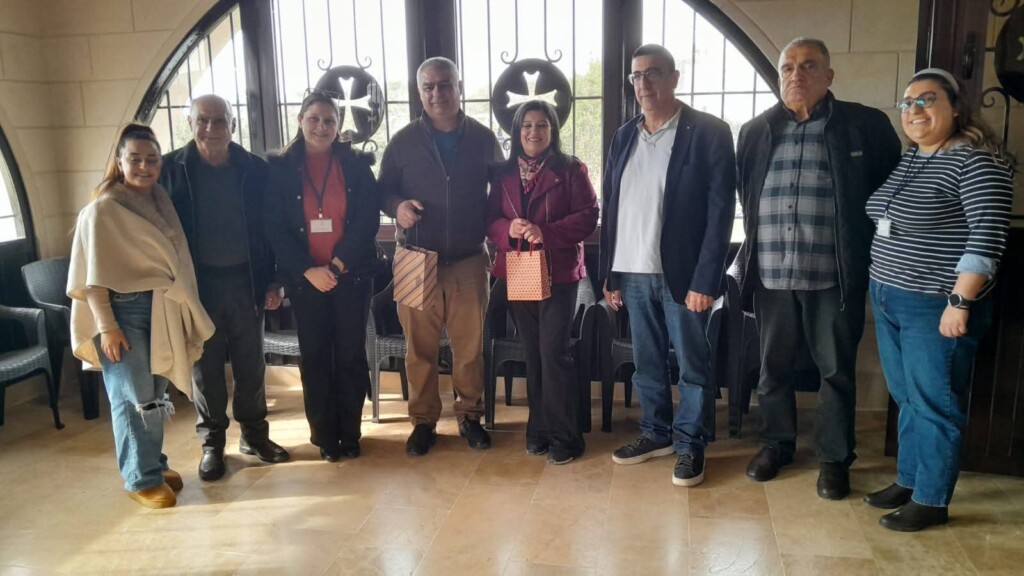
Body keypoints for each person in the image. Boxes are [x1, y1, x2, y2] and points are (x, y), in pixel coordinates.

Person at [732, 38, 902, 500]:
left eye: (808, 66)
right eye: (787, 67)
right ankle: (777, 444)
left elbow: (889, 195)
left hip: (833, 276)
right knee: (772, 368)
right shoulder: (756, 131)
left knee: (836, 372)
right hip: (771, 274)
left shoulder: (865, 126)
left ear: (829, 76)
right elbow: (747, 194)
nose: (796, 75)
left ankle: (833, 458)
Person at [864, 69, 1013, 531]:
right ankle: (910, 480)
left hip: (934, 303)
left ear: (955, 107)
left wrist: (960, 302)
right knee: (907, 397)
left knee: (935, 403)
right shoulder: (915, 157)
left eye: (926, 100)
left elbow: (987, 237)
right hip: (889, 296)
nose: (914, 110)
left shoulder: (976, 162)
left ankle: (930, 499)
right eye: (907, 102)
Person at [600, 44, 736, 487]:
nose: (643, 83)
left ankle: (691, 443)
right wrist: (610, 274)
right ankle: (655, 432)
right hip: (633, 271)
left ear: (674, 78)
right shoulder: (624, 136)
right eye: (636, 76)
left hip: (685, 276)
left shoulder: (709, 132)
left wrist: (706, 279)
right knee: (647, 363)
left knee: (693, 365)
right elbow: (612, 206)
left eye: (653, 73)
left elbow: (720, 212)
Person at [67, 124, 215, 508]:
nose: (144, 167)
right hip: (122, 311)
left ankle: (153, 463)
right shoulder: (103, 209)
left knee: (154, 393)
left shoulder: (160, 199)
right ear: (120, 162)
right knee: (134, 398)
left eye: (151, 159)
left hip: (161, 307)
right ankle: (140, 478)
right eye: (135, 159)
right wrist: (107, 327)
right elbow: (91, 277)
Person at [159, 94, 289, 482]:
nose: (211, 128)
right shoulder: (169, 170)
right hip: (198, 287)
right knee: (206, 368)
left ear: (233, 125)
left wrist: (275, 279)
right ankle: (212, 444)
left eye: (220, 121)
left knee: (251, 365)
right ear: (190, 124)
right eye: (203, 120)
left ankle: (254, 436)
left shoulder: (255, 170)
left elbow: (273, 228)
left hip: (247, 282)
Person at [378, 57, 504, 457]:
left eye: (445, 84)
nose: (437, 93)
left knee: (469, 348)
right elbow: (383, 191)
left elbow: (504, 194)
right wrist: (397, 206)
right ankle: (423, 422)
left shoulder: (483, 139)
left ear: (459, 87)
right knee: (419, 350)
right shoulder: (402, 142)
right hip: (414, 258)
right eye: (428, 87)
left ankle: (470, 416)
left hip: (469, 260)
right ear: (419, 93)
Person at [264, 91, 380, 461]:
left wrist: (336, 266)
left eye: (329, 120)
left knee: (349, 355)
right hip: (305, 280)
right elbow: (274, 228)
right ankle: (325, 437)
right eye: (313, 118)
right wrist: (308, 270)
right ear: (300, 120)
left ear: (338, 125)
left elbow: (367, 220)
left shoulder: (357, 165)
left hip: (351, 276)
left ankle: (350, 433)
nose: (321, 126)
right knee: (314, 357)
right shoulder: (279, 169)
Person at [486, 100, 599, 464]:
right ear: (517, 131)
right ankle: (538, 428)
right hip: (518, 268)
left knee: (554, 352)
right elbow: (489, 220)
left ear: (553, 130)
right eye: (527, 125)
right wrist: (508, 229)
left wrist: (545, 232)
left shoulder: (571, 169)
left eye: (541, 125)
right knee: (532, 352)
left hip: (558, 272)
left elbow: (589, 216)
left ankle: (566, 436)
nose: (533, 132)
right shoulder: (502, 173)